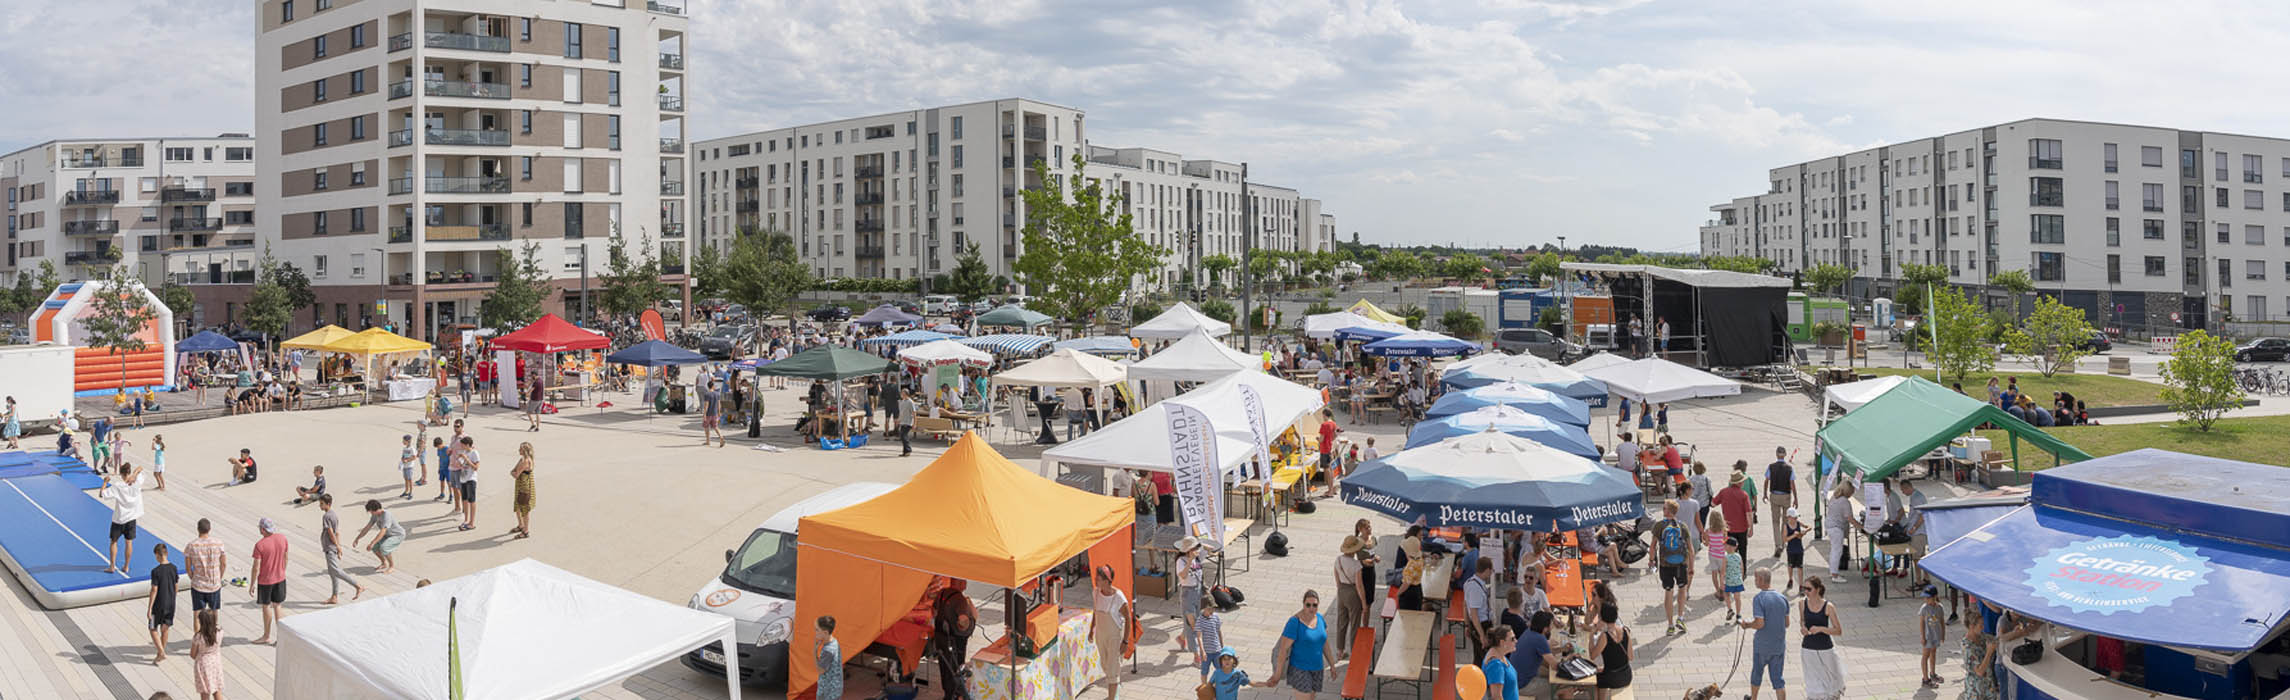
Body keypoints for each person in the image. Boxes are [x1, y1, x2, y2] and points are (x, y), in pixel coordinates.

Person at [1261, 589, 1331, 698]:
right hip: (1300, 669)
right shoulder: (1294, 623)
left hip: (1317, 669)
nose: (1311, 608)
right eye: (1308, 605)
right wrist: (1277, 674)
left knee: (1312, 698)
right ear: (1303, 605)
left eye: (1314, 605)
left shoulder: (1320, 619)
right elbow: (1283, 650)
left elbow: (1324, 643)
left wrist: (1332, 665)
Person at [1738, 567, 1789, 700]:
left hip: (1762, 646)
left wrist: (1747, 625)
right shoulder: (1783, 598)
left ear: (1761, 580)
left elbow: (1760, 623)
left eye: (1755, 579)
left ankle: (1753, 698)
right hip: (1778, 645)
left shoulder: (1759, 599)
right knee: (1778, 679)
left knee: (1757, 674)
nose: (1755, 581)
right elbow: (1787, 623)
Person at [1799, 577, 1847, 700]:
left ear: (1818, 589)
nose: (1806, 591)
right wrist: (1803, 627)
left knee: (1831, 683)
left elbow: (1838, 630)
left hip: (1826, 649)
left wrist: (1821, 629)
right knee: (1812, 683)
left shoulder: (1828, 606)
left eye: (1809, 589)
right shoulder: (1802, 603)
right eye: (1804, 588)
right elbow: (1803, 620)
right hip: (1808, 649)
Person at [928, 577, 976, 695]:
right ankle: (955, 694)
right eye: (964, 580)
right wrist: (966, 625)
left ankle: (947, 693)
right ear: (960, 583)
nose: (966, 583)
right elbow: (963, 620)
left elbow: (934, 611)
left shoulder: (943, 592)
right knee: (956, 668)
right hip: (954, 640)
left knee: (944, 667)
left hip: (941, 638)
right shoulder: (960, 600)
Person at [1091, 565, 1131, 699]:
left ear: (1107, 580)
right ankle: (1116, 687)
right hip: (1100, 635)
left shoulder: (1118, 597)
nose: (1096, 579)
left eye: (1099, 578)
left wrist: (1125, 641)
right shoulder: (1096, 592)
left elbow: (1128, 618)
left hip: (1114, 637)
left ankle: (1112, 697)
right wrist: (1092, 630)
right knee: (1105, 665)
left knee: (1112, 668)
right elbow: (1095, 611)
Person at [315, 495, 363, 605]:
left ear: (328, 504)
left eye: (321, 503)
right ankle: (334, 596)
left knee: (335, 571)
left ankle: (357, 586)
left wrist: (337, 546)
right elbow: (337, 532)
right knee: (333, 573)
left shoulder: (326, 516)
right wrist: (339, 547)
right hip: (332, 547)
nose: (320, 506)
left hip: (330, 547)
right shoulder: (334, 515)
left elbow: (331, 532)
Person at [1653, 500, 1691, 636]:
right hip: (1681, 564)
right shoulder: (1682, 526)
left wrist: (1651, 561)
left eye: (1664, 509)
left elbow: (1653, 546)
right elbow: (1690, 548)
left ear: (1667, 511)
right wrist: (1690, 565)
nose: (1663, 511)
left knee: (1668, 592)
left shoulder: (1659, 526)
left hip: (1665, 564)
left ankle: (1670, 625)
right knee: (1682, 589)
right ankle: (1680, 617)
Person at [249, 518, 289, 645]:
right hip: (280, 577)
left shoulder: (260, 545)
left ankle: (266, 635)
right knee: (278, 606)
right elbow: (286, 557)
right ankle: (282, 637)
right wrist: (282, 570)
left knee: (266, 606)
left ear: (262, 529)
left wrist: (252, 584)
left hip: (266, 581)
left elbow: (256, 567)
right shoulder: (282, 538)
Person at [99, 465, 145, 574]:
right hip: (131, 518)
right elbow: (140, 468)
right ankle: (126, 566)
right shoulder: (137, 483)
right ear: (129, 472)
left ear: (121, 474)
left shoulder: (118, 486)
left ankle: (112, 566)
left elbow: (102, 494)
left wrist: (105, 482)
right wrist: (134, 474)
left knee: (113, 542)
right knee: (129, 542)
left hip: (119, 519)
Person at [1332, 536, 1366, 659]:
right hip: (1353, 593)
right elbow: (1359, 585)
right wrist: (1363, 602)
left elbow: (1336, 578)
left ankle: (1340, 651)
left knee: (1341, 622)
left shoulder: (1338, 560)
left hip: (1341, 591)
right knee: (1355, 623)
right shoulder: (1356, 565)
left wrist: (1341, 590)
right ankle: (1354, 652)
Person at [1589, 602, 1633, 698]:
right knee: (1602, 673)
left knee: (1595, 680)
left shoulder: (1605, 636)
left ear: (1602, 618)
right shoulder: (1625, 631)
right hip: (1626, 675)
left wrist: (1591, 635)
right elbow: (1631, 657)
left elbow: (1592, 655)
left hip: (1612, 678)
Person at [351, 499, 406, 574]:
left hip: (397, 535)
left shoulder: (387, 515)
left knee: (384, 547)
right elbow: (367, 527)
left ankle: (391, 566)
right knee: (375, 548)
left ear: (375, 510)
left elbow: (382, 531)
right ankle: (384, 563)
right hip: (387, 535)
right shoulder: (375, 515)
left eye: (370, 511)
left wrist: (372, 542)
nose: (370, 513)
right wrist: (357, 538)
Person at [184, 519, 227, 613]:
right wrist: (219, 577)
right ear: (209, 529)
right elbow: (223, 564)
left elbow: (188, 567)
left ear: (198, 529)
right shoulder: (219, 543)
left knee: (197, 613)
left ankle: (197, 628)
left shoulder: (191, 545)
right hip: (214, 584)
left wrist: (193, 577)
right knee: (214, 611)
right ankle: (213, 627)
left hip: (198, 585)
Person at [1959, 605, 2000, 700]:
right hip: (1976, 691)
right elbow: (1980, 671)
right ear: (1971, 626)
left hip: (1988, 687)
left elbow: (1997, 640)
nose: (1983, 627)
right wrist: (1989, 652)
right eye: (1980, 625)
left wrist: (2016, 633)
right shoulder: (1968, 647)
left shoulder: (1981, 637)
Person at [1175, 536, 1206, 656]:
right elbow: (1182, 575)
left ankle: (1182, 638)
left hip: (1197, 591)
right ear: (1189, 550)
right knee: (1193, 625)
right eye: (1196, 547)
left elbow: (1211, 550)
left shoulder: (1197, 558)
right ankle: (1196, 654)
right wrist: (1189, 561)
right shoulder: (1181, 561)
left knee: (1195, 620)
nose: (1198, 549)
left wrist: (1204, 547)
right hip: (1187, 593)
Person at [147, 543, 178, 663]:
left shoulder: (156, 571)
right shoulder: (174, 568)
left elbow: (154, 590)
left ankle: (161, 652)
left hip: (158, 605)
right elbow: (176, 586)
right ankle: (160, 653)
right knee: (165, 628)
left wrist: (149, 608)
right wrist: (173, 599)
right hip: (171, 604)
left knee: (152, 627)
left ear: (158, 555)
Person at [1464, 557, 1498, 661]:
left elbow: (1465, 605)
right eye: (1491, 570)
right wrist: (1482, 636)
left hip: (1476, 625)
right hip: (1481, 625)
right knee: (1485, 658)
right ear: (1487, 570)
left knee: (1479, 656)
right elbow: (1474, 613)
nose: (1491, 573)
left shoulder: (1469, 582)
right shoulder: (1476, 589)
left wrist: (1467, 625)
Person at [1715, 470, 1753, 554]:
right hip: (1742, 528)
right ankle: (1743, 567)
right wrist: (1751, 528)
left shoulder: (1723, 492)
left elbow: (1713, 503)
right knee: (1743, 552)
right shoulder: (1744, 494)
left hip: (1728, 528)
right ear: (1740, 483)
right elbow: (1748, 513)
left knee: (1730, 553)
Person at [1825, 481, 1855, 581]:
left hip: (1830, 525)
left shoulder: (1834, 497)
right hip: (1837, 528)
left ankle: (1832, 571)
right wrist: (1860, 527)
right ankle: (1834, 575)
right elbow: (1849, 518)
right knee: (1837, 551)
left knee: (1834, 550)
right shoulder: (1845, 501)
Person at [1481, 625, 1521, 700]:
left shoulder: (1499, 654)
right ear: (1502, 642)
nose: (1516, 641)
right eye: (1512, 639)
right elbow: (1496, 697)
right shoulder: (1495, 665)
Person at [191, 609, 224, 699]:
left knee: (205, 692)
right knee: (216, 689)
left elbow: (192, 654)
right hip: (216, 662)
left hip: (203, 665)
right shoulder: (220, 631)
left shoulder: (199, 636)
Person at [1919, 586, 1945, 688]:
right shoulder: (1924, 608)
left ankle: (1933, 673)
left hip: (1936, 635)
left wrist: (1943, 635)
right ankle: (1925, 679)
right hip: (1928, 636)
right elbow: (1921, 623)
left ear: (1934, 597)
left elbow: (1942, 622)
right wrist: (1922, 636)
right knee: (1925, 655)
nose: (1925, 600)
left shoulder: (1939, 608)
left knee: (1933, 653)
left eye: (1928, 598)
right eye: (1925, 598)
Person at [814, 615, 843, 699]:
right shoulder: (834, 641)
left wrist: (814, 652)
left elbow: (820, 670)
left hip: (827, 692)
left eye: (817, 630)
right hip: (836, 688)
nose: (815, 632)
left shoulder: (828, 650)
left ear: (825, 632)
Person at [454, 436, 480, 531]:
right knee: (464, 499)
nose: (461, 447)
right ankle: (466, 520)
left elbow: (476, 467)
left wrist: (466, 459)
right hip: (463, 478)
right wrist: (459, 460)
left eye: (463, 445)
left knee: (471, 500)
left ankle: (472, 523)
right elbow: (460, 465)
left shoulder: (474, 453)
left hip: (471, 479)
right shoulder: (464, 452)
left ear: (467, 445)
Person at [1706, 509, 1730, 603]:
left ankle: (1717, 591)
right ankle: (1722, 589)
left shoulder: (1708, 531)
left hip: (1712, 554)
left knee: (1714, 573)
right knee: (1722, 574)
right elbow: (1725, 542)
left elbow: (1707, 543)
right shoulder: (1724, 531)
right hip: (1722, 555)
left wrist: (1704, 541)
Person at [1783, 507, 1808, 591]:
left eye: (1796, 517)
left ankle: (1801, 585)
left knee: (1800, 567)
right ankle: (1790, 579)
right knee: (1790, 566)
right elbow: (1785, 539)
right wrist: (1794, 535)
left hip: (1799, 549)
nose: (1796, 519)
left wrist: (1804, 532)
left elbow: (1808, 527)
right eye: (1794, 517)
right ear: (1789, 517)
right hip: (1791, 549)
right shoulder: (1786, 526)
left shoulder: (1798, 523)